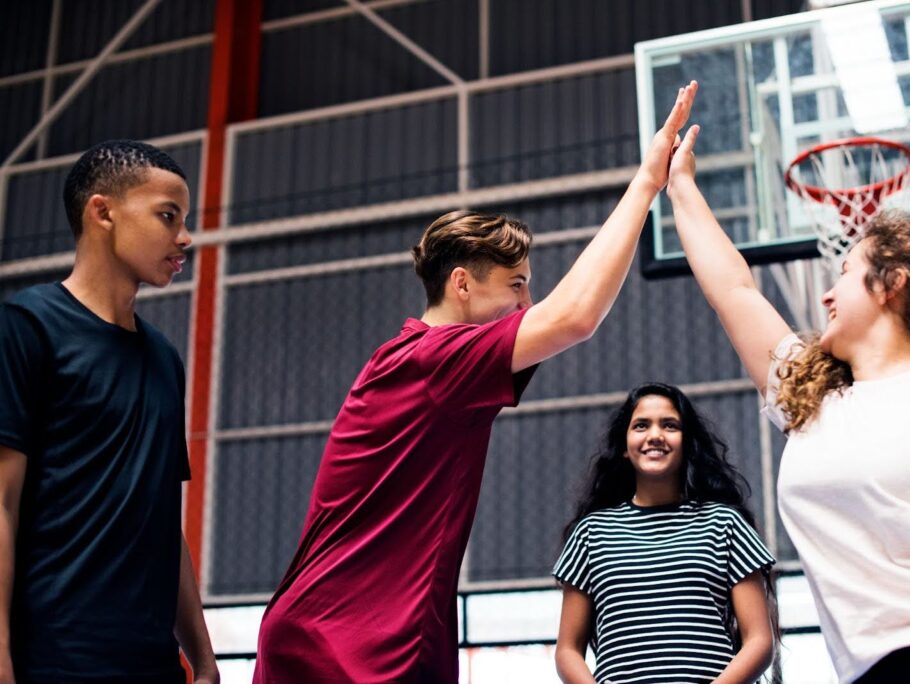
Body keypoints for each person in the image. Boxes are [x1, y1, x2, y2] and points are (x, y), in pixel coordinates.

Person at [251, 82, 701, 684]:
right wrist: (647, 183)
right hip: (341, 642)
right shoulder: (434, 357)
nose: (526, 300)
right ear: (462, 284)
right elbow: (574, 316)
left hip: (381, 635)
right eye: (515, 284)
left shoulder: (430, 361)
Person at [664, 123, 910, 682]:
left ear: (890, 285)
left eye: (845, 274)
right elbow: (733, 289)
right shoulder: (814, 404)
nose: (827, 294)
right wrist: (679, 184)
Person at [0, 140, 218, 684]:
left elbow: (164, 523)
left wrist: (204, 657)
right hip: (54, 660)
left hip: (152, 663)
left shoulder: (165, 358)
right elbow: (0, 505)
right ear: (102, 212)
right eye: (168, 216)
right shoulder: (26, 327)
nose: (185, 237)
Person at [553, 382, 777, 684]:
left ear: (687, 442)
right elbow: (567, 651)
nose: (655, 435)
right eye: (641, 425)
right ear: (624, 445)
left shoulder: (725, 523)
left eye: (670, 425)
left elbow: (760, 642)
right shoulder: (591, 533)